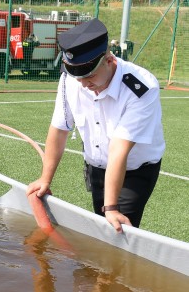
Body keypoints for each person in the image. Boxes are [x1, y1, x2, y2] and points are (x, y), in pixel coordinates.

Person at [26, 18, 165, 233]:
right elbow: (59, 128)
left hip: (134, 171)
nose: (83, 84)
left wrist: (111, 207)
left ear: (108, 60)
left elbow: (119, 150)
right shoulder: (70, 80)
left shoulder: (141, 87)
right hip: (97, 168)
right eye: (77, 76)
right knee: (101, 226)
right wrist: (45, 179)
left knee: (118, 230)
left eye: (89, 76)